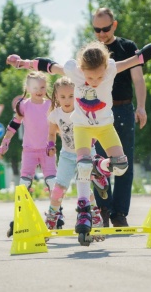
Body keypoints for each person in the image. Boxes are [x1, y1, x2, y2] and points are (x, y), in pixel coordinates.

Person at [6, 30, 151, 245]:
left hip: (104, 127)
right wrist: (23, 63)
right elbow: (49, 66)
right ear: (82, 70)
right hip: (81, 126)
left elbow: (139, 57)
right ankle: (85, 207)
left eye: (99, 77)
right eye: (90, 77)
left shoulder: (110, 68)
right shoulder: (74, 71)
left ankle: (100, 168)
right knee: (82, 164)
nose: (94, 81)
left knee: (121, 166)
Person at [91, 8, 151, 226]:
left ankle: (119, 214)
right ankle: (104, 210)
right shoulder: (92, 51)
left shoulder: (127, 47)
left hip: (124, 110)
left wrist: (141, 107)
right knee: (99, 164)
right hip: (99, 113)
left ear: (114, 25)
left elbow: (138, 80)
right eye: (97, 30)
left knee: (124, 163)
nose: (101, 34)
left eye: (105, 29)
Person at [44, 76, 105, 241]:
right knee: (58, 188)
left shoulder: (82, 110)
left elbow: (96, 127)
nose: (67, 100)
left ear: (76, 95)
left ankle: (95, 218)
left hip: (85, 154)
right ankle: (51, 219)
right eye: (62, 97)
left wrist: (93, 139)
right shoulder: (54, 114)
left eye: (71, 96)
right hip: (66, 155)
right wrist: (50, 144)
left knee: (83, 188)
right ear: (56, 97)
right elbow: (51, 132)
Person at [0, 71, 57, 237]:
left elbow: (61, 124)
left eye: (43, 87)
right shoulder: (24, 105)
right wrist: (5, 143)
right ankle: (18, 219)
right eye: (36, 87)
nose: (39, 90)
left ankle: (56, 215)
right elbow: (13, 125)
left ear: (47, 87)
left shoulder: (51, 104)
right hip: (29, 150)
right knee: (24, 184)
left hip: (47, 150)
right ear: (28, 88)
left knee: (53, 182)